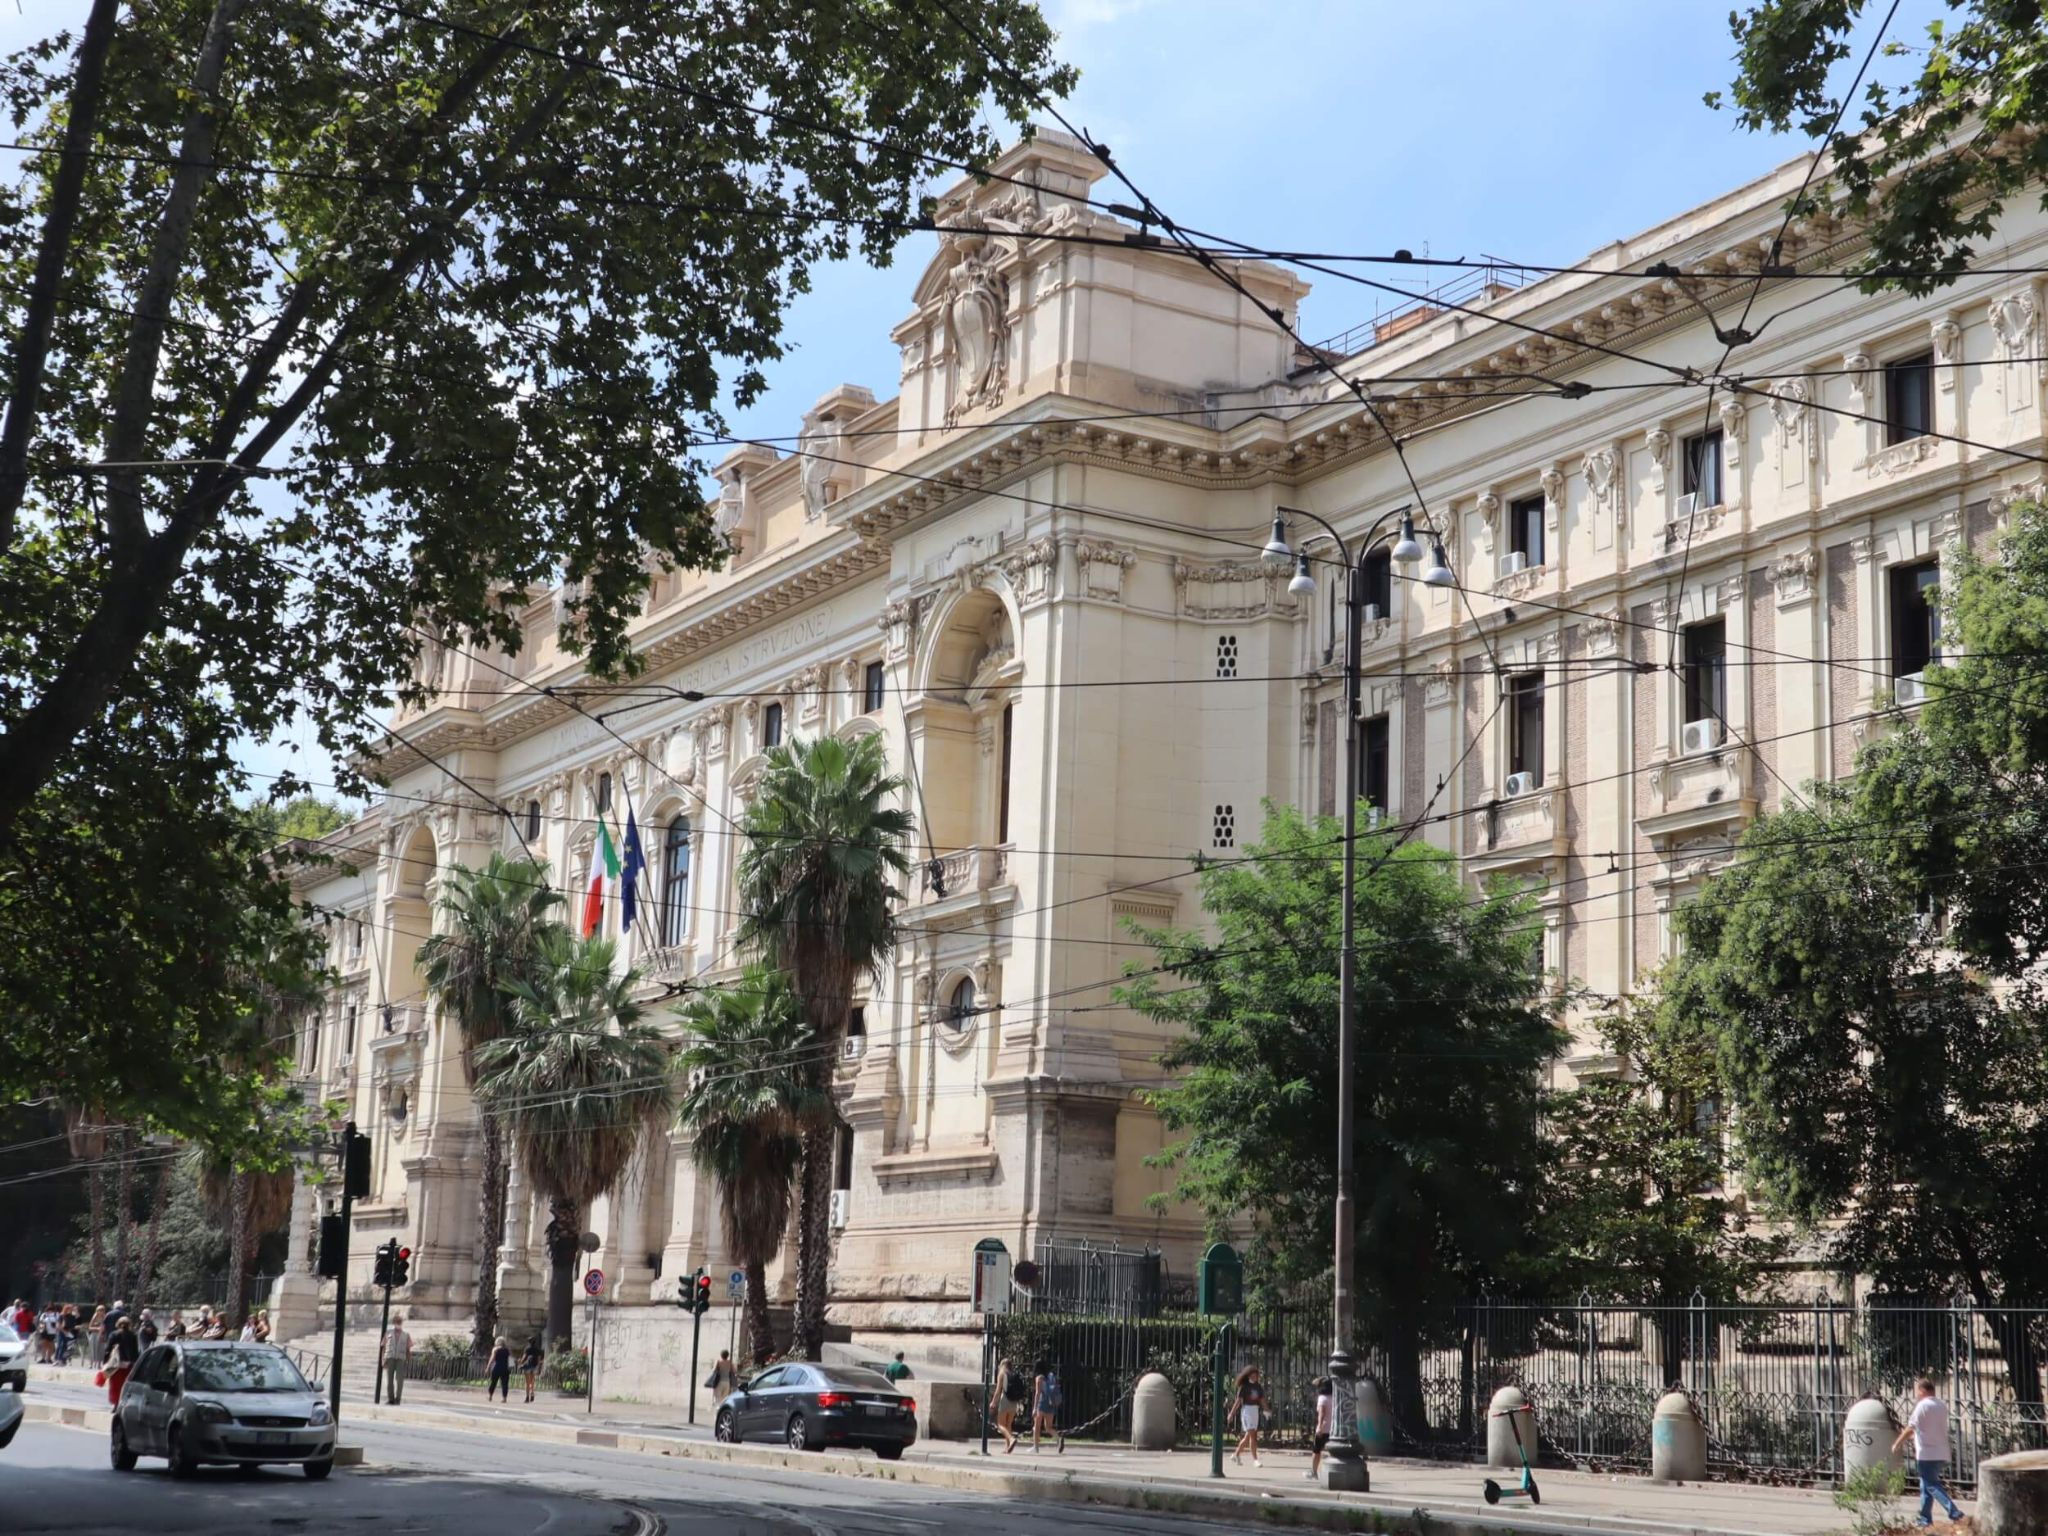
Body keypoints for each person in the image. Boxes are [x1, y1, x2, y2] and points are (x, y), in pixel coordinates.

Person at [1891, 1377, 1965, 1526]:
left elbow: (1912, 1427)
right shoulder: (1941, 1405)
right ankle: (1925, 1519)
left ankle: (1954, 1512)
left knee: (1931, 1485)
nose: (1916, 1395)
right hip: (1941, 1452)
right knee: (1925, 1487)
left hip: (1927, 1453)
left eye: (1918, 1392)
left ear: (1923, 1391)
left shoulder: (1922, 1406)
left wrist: (1897, 1443)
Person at [1228, 1364, 1266, 1467]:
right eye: (1253, 1375)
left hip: (1255, 1410)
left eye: (1256, 1375)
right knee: (1253, 1436)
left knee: (1248, 1436)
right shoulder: (1244, 1387)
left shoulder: (1258, 1386)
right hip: (1247, 1411)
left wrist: (1266, 1410)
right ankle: (1255, 1459)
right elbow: (1238, 1401)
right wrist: (1231, 1413)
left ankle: (1236, 1455)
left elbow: (1261, 1399)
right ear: (1248, 1375)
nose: (1255, 1377)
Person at [989, 1355, 1025, 1453]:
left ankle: (1012, 1439)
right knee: (1008, 1425)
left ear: (1002, 1365)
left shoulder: (1002, 1373)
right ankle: (1007, 1447)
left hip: (1005, 1400)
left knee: (1000, 1425)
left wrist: (993, 1402)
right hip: (1014, 1402)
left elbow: (998, 1391)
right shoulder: (1013, 1374)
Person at [104, 1316, 140, 1405]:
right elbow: (135, 1351)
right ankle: (123, 1402)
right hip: (127, 1364)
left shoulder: (113, 1334)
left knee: (115, 1385)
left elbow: (108, 1349)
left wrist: (105, 1361)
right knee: (124, 1384)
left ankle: (115, 1403)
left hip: (115, 1363)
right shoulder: (133, 1335)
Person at [1031, 1359, 1064, 1454]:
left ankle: (1036, 1447)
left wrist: (1034, 1408)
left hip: (1042, 1402)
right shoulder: (1051, 1376)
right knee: (1048, 1427)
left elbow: (1037, 1393)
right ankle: (1058, 1438)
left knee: (1037, 1426)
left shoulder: (1039, 1378)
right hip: (1051, 1402)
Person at [1307, 1377, 1333, 1481]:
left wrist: (1319, 1426)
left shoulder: (1322, 1398)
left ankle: (1314, 1472)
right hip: (1333, 1429)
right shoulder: (1334, 1397)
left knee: (1316, 1450)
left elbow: (1322, 1413)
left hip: (1324, 1428)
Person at [383, 1313, 411, 1405]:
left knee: (400, 1380)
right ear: (394, 1323)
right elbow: (383, 1346)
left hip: (400, 1359)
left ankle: (398, 1399)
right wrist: (382, 1360)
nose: (398, 1324)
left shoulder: (406, 1334)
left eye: (399, 1322)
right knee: (389, 1380)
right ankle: (391, 1399)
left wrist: (408, 1360)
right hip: (390, 1358)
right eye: (396, 1322)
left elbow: (408, 1348)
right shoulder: (388, 1333)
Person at [486, 1335, 512, 1402]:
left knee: (493, 1382)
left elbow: (492, 1359)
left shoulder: (495, 1349)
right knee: (505, 1384)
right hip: (505, 1368)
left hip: (497, 1367)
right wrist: (510, 1367)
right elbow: (510, 1359)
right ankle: (504, 1398)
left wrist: (488, 1367)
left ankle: (490, 1396)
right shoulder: (508, 1350)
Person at [519, 1335, 543, 1403]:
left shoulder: (527, 1349)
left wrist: (520, 1362)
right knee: (532, 1381)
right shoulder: (538, 1349)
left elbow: (524, 1358)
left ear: (529, 1342)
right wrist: (538, 1367)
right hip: (535, 1366)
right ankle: (532, 1393)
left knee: (527, 1382)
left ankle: (527, 1397)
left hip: (528, 1366)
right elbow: (539, 1359)